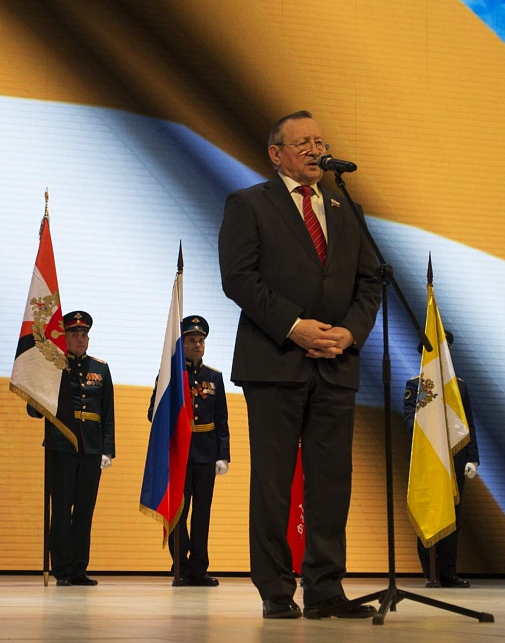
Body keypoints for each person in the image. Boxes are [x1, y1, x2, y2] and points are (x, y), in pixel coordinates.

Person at [218, 111, 381, 619]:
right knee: (273, 482)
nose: (315, 149)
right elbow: (238, 278)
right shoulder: (249, 204)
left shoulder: (345, 207)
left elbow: (370, 282)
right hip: (274, 362)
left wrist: (349, 333)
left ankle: (326, 589)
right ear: (277, 154)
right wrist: (294, 326)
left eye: (320, 141)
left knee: (332, 480)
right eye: (303, 142)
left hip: (336, 364)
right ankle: (275, 590)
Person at [27, 311, 115, 587]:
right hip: (61, 445)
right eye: (75, 334)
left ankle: (79, 569)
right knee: (62, 510)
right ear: (64, 338)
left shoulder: (101, 368)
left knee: (84, 511)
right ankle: (62, 570)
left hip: (91, 447)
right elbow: (33, 410)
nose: (80, 339)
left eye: (84, 335)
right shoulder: (53, 365)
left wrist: (107, 449)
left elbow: (108, 413)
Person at [147, 315, 230, 587]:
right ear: (182, 344)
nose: (197, 345)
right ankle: (180, 567)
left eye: (201, 340)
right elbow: (153, 413)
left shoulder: (214, 377)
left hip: (206, 455)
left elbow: (221, 420)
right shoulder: (170, 375)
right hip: (179, 455)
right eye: (192, 340)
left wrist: (223, 455)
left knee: (202, 515)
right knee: (179, 513)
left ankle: (199, 569)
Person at [403, 332, 479, 588]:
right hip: (427, 458)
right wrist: (429, 412)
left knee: (452, 516)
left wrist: (473, 458)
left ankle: (449, 572)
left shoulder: (459, 386)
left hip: (455, 459)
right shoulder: (416, 385)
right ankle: (431, 572)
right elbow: (409, 423)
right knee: (428, 513)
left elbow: (468, 424)